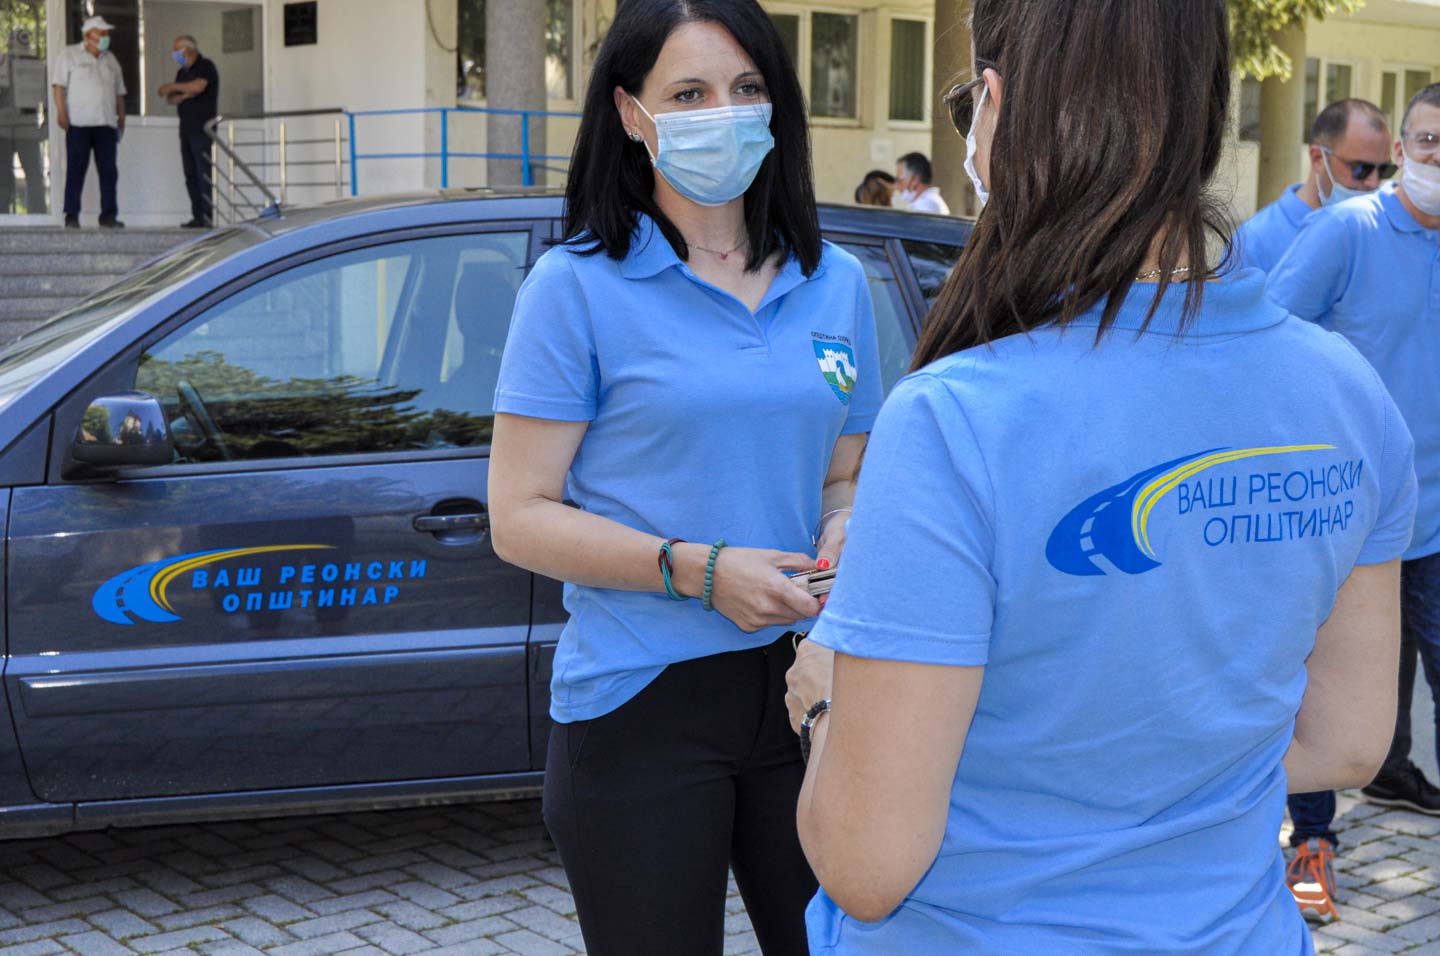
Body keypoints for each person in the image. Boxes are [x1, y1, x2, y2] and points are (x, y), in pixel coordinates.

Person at [785, 0, 1415, 952]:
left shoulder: (956, 418)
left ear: (996, 104)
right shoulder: (1348, 394)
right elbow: (1348, 742)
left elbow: (867, 865)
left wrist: (825, 703)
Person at [486, 1, 882, 953]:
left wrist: (846, 525)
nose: (724, 114)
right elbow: (519, 515)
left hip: (810, 684)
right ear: (631, 113)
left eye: (746, 89)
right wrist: (699, 571)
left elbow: (846, 475)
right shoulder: (574, 287)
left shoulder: (836, 282)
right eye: (690, 94)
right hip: (640, 701)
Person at [1266, 82, 1440, 924]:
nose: (1436, 157)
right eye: (1427, 140)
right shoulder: (1348, 229)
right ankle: (1311, 849)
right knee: (1322, 697)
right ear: (1402, 149)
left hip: (1437, 524)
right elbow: (1270, 334)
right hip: (1350, 522)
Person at [1234, 99, 1393, 272]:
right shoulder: (1253, 242)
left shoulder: (1382, 233)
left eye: (1384, 170)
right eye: (1361, 169)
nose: (1373, 182)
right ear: (1318, 158)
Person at [51, 15, 126, 228]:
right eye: (101, 33)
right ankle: (71, 215)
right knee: (76, 169)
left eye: (106, 33)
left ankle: (108, 216)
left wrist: (121, 117)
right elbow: (59, 86)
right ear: (88, 35)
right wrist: (61, 112)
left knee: (109, 171)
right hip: (79, 123)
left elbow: (119, 92)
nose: (105, 37)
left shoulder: (111, 59)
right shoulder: (69, 54)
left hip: (106, 124)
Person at [157, 35, 219, 229]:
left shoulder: (206, 66)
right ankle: (197, 216)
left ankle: (207, 217)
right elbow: (170, 98)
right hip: (186, 128)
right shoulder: (182, 72)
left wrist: (175, 87)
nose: (174, 54)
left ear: (188, 49)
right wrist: (184, 93)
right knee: (190, 173)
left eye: (177, 50)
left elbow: (199, 86)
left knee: (203, 172)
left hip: (203, 129)